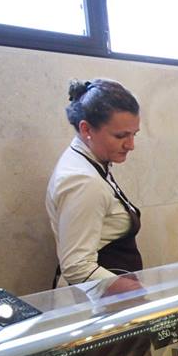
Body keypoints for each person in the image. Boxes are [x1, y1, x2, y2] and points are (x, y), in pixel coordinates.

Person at [46, 79, 143, 289]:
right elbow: (77, 267)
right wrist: (134, 292)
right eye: (121, 136)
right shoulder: (84, 182)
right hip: (95, 300)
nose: (131, 145)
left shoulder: (91, 161)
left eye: (134, 134)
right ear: (86, 129)